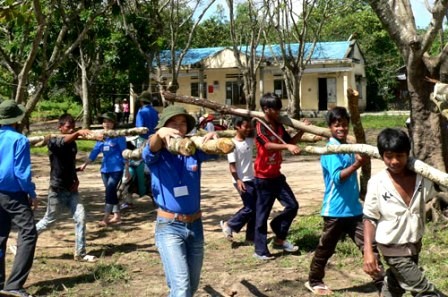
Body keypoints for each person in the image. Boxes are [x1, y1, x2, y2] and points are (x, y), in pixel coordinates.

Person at [305, 107, 384, 295]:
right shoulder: (331, 150)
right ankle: (314, 280)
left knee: (369, 245)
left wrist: (357, 159)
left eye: (344, 125)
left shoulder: (348, 146)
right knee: (326, 248)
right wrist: (357, 164)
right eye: (336, 125)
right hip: (335, 211)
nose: (341, 128)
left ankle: (381, 281)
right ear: (330, 126)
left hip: (354, 209)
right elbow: (338, 178)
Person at [142, 105, 216, 297]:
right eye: (173, 123)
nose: (179, 127)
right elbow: (149, 149)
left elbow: (214, 151)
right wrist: (159, 135)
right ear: (164, 126)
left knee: (190, 287)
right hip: (169, 227)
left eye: (183, 123)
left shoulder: (192, 149)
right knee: (182, 288)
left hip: (195, 225)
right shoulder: (156, 154)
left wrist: (212, 138)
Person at [363, 128, 442, 297]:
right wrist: (369, 251)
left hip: (413, 244)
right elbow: (370, 217)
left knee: (394, 286)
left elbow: (440, 185)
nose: (394, 161)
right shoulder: (377, 182)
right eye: (389, 156)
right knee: (424, 290)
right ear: (382, 155)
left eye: (399, 156)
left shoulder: (422, 178)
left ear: (407, 154)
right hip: (391, 246)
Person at [35, 114, 97, 263]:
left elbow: (69, 165)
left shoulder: (73, 144)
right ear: (60, 128)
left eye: (73, 127)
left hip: (71, 189)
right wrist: (77, 133)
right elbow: (62, 143)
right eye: (68, 127)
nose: (71, 130)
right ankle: (23, 240)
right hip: (57, 189)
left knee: (80, 218)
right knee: (49, 221)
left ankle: (80, 253)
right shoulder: (53, 141)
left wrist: (76, 179)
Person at [253, 92, 304, 260]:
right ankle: (260, 250)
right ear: (266, 109)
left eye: (279, 109)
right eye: (275, 110)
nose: (278, 113)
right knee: (262, 214)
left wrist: (301, 131)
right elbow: (267, 145)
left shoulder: (280, 126)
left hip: (277, 176)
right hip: (263, 178)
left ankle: (278, 234)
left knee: (293, 205)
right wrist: (287, 147)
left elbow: (290, 142)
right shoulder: (260, 125)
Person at [0, 100, 38, 297]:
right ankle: (14, 285)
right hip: (13, 194)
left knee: (0, 235)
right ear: (17, 119)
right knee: (29, 232)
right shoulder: (19, 139)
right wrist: (32, 193)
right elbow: (21, 173)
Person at [80, 112, 128, 226]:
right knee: (111, 192)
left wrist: (127, 168)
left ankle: (106, 218)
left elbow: (124, 153)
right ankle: (117, 215)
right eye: (104, 121)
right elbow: (94, 152)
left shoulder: (119, 136)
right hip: (105, 169)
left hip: (117, 168)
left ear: (113, 123)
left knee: (109, 191)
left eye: (109, 122)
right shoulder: (101, 138)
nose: (106, 124)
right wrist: (85, 164)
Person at [220, 117, 256, 243]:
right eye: (245, 126)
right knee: (250, 207)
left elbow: (257, 127)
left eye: (249, 126)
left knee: (255, 208)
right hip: (241, 180)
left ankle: (251, 237)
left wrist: (254, 118)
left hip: (252, 178)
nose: (248, 129)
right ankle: (229, 225)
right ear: (237, 127)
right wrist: (238, 180)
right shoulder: (231, 144)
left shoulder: (249, 140)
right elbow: (232, 166)